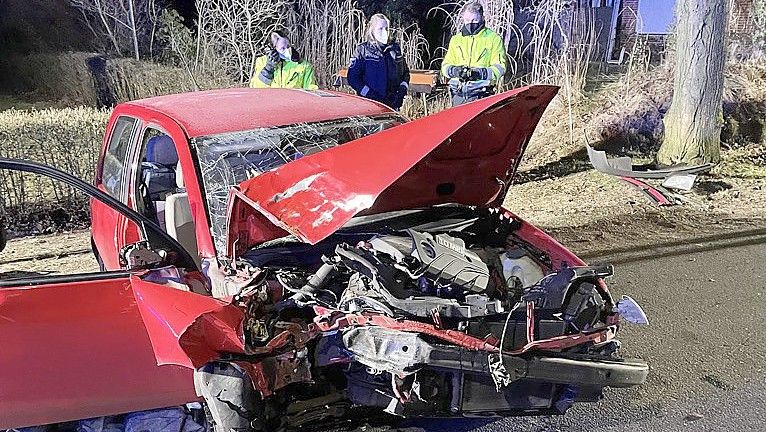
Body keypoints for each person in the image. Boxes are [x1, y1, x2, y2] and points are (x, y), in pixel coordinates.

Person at [441, 1, 508, 106]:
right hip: (457, 93)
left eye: (474, 20)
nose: (470, 23)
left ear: (482, 18)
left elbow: (500, 68)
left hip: (481, 93)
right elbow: (445, 66)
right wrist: (455, 71)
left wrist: (479, 73)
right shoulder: (456, 40)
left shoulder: (493, 39)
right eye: (467, 20)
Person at [348, 14, 411, 110]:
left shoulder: (395, 49)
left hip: (392, 105)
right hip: (369, 106)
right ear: (372, 30)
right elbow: (353, 78)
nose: (384, 32)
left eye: (386, 28)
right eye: (380, 29)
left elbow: (405, 73)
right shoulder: (362, 50)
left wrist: (402, 91)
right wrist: (369, 94)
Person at [250, 31, 318, 90]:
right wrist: (268, 68)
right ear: (273, 49)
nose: (287, 50)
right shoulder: (262, 62)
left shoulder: (304, 65)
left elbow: (311, 90)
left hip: (294, 103)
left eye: (288, 46)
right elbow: (256, 88)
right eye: (282, 48)